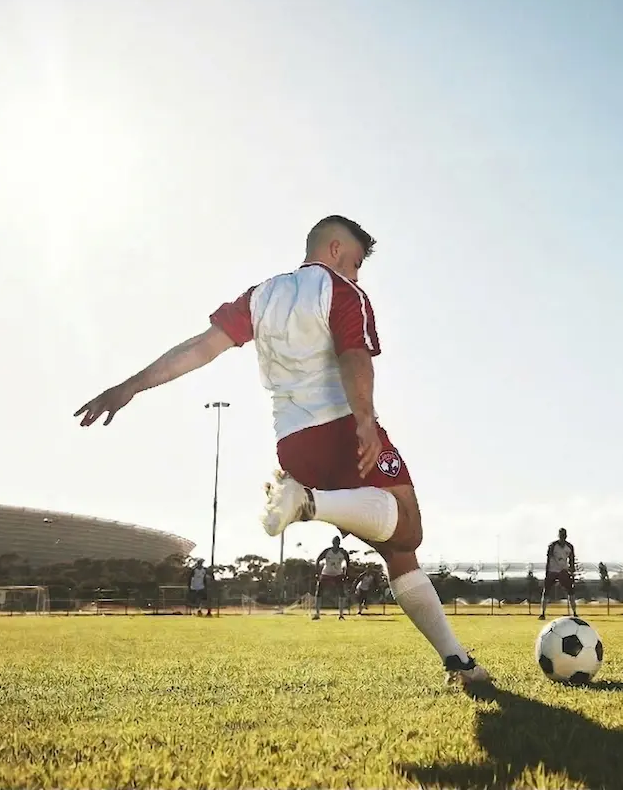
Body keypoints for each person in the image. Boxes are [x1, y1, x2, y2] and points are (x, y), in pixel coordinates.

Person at [75, 215, 489, 686]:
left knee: (397, 553)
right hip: (341, 428)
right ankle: (307, 503)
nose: (356, 275)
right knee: (408, 526)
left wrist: (131, 386)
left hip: (292, 445)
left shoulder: (260, 296)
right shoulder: (341, 292)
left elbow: (200, 348)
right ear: (335, 249)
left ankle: (458, 662)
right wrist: (366, 421)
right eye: (354, 262)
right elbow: (354, 355)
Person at [540, 528, 577, 619]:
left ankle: (575, 613)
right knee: (546, 591)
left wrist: (572, 571)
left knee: (570, 591)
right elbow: (548, 559)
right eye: (561, 535)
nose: (562, 537)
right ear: (559, 536)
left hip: (563, 571)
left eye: (564, 535)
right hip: (552, 571)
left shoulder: (570, 547)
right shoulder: (553, 546)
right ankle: (543, 613)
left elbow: (571, 560)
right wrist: (547, 572)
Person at [313, 536, 350, 620]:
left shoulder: (343, 552)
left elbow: (348, 562)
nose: (336, 544)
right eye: (334, 542)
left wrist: (346, 573)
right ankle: (317, 614)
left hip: (338, 574)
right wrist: (317, 573)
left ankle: (341, 615)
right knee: (319, 591)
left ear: (339, 543)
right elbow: (318, 559)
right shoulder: (327, 551)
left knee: (341, 593)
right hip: (326, 573)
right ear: (332, 543)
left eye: (337, 542)